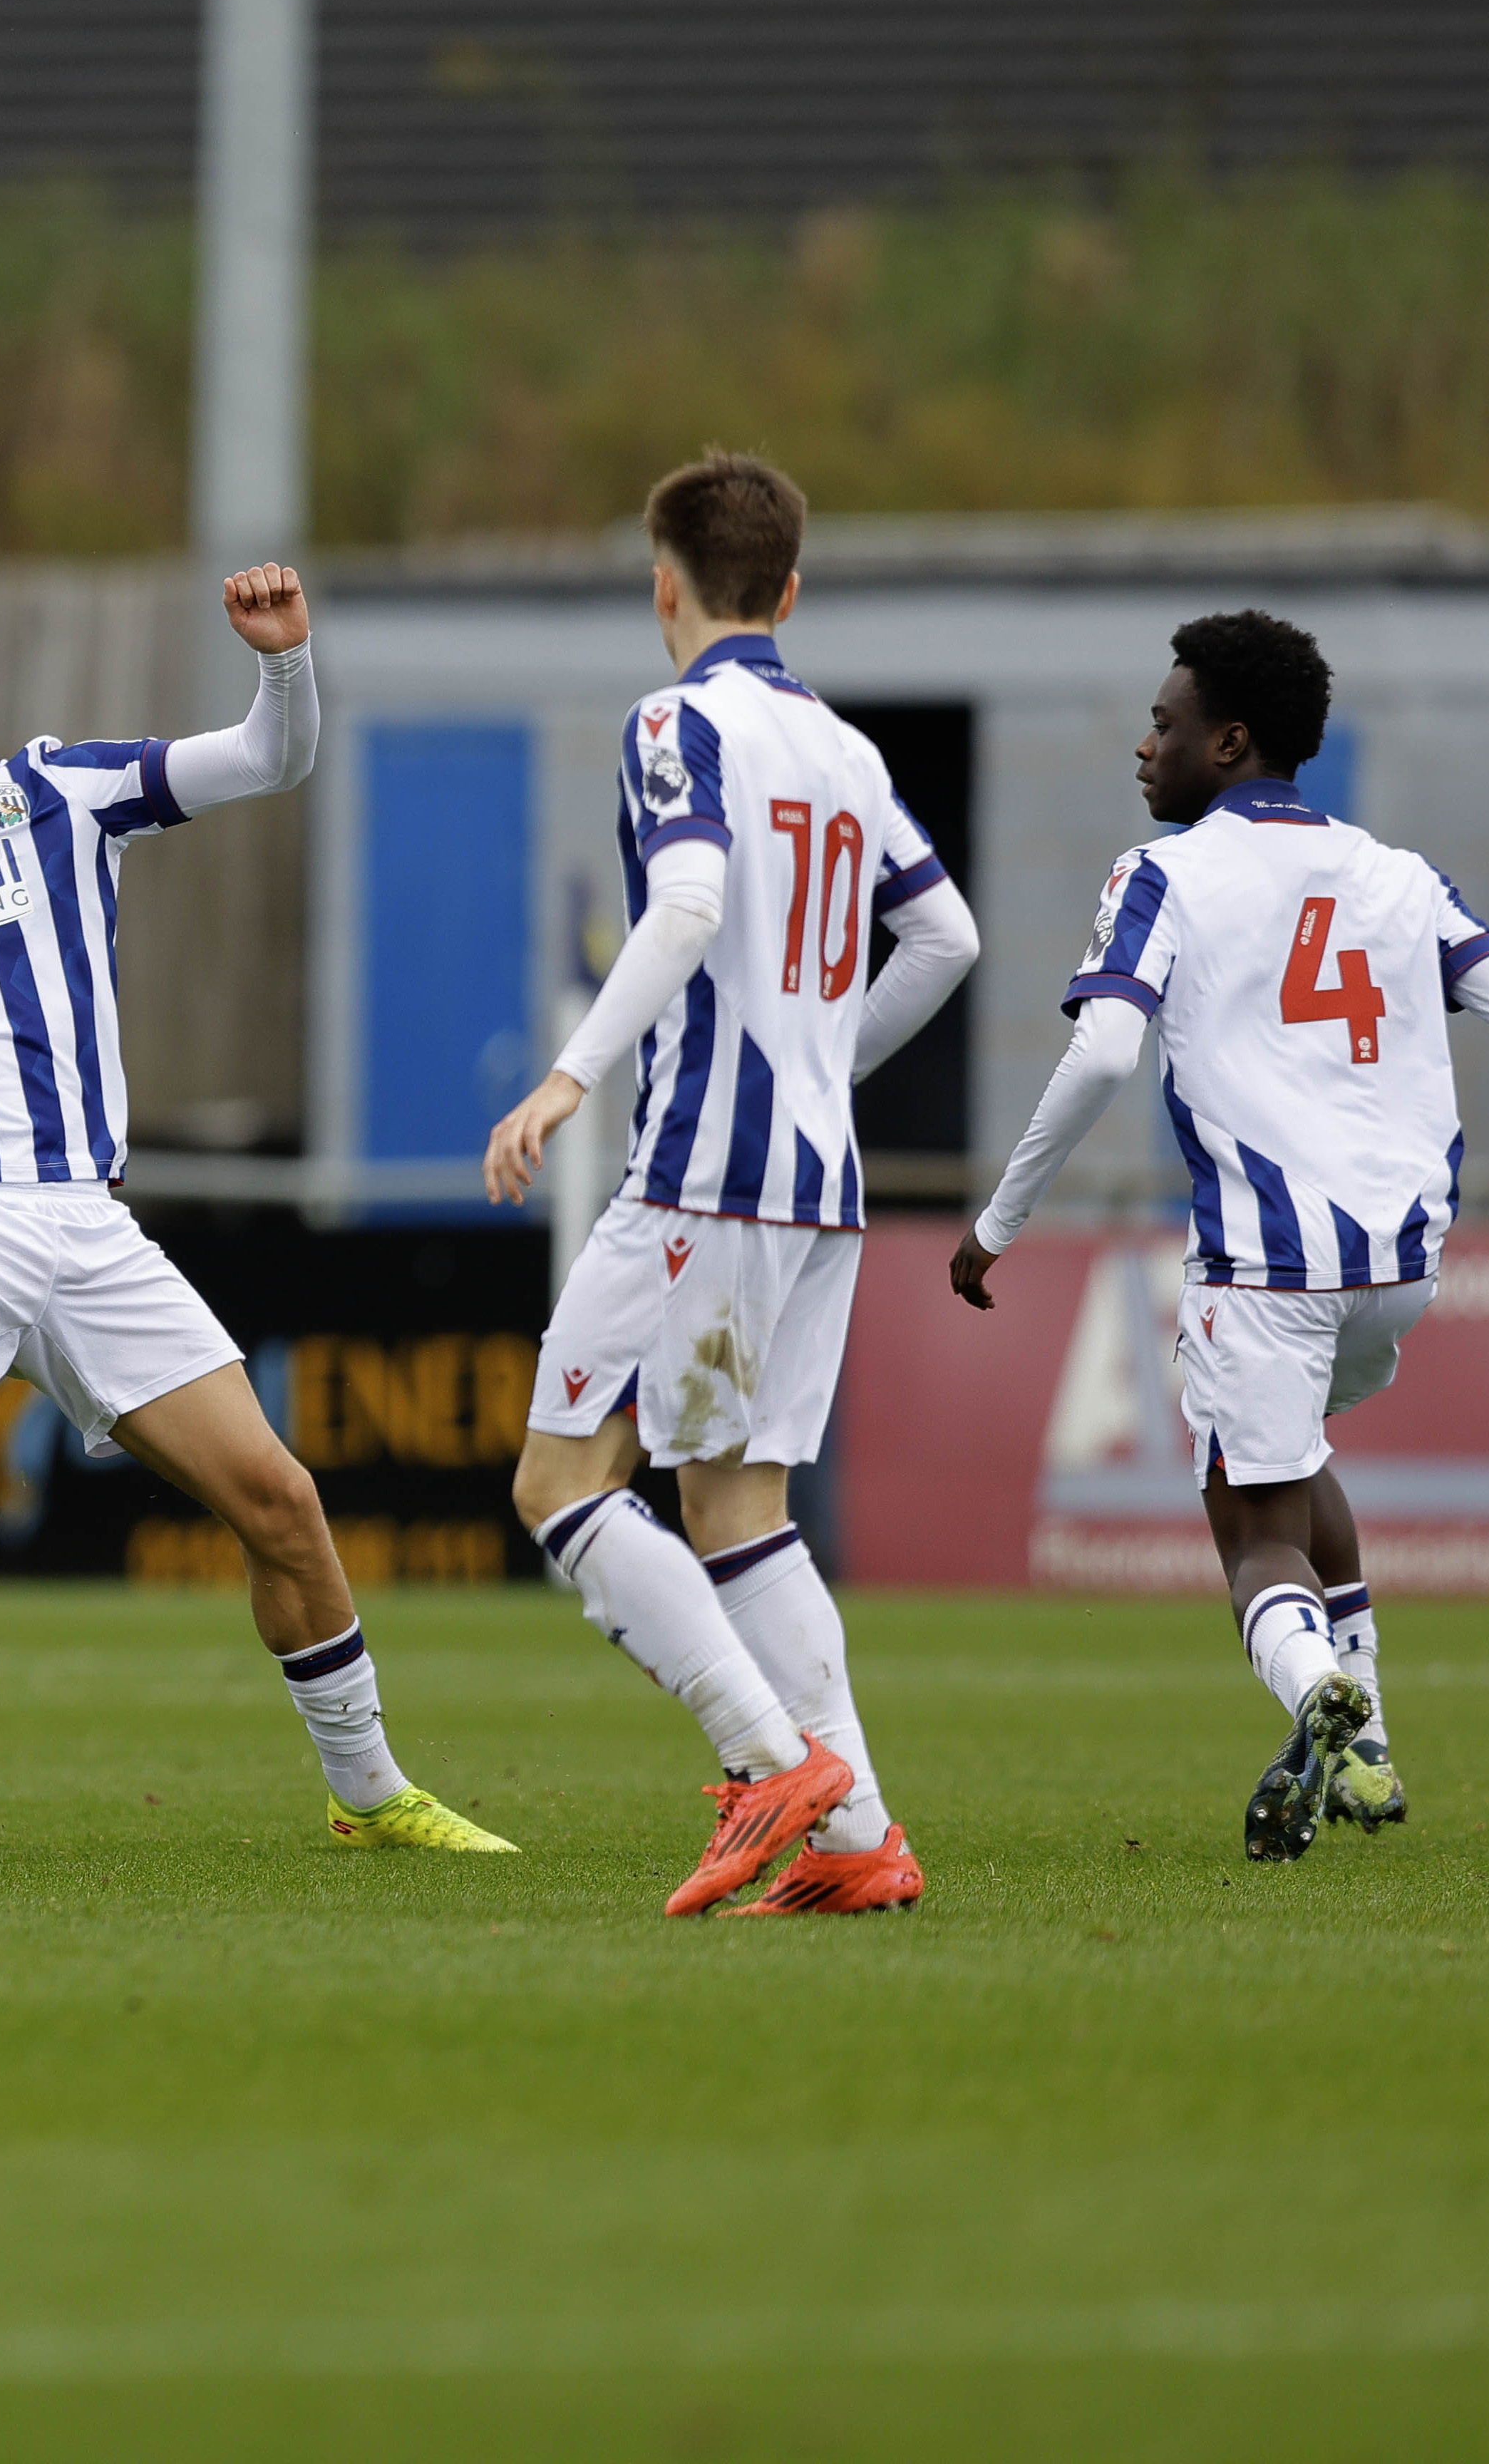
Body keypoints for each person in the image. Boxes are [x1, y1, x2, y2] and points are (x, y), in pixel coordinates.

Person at [0, 569, 511, 1862]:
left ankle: (367, 1789)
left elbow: (273, 759)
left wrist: (282, 660)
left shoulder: (65, 791)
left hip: (86, 1222)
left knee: (279, 1499)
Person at [950, 610, 1489, 1859]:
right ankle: (1374, 1751)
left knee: (1248, 1529)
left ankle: (1318, 1701)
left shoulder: (1162, 876)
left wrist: (998, 1220)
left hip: (1262, 1268)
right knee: (1294, 1470)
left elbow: (1102, 1051)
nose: (1144, 746)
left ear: (1229, 742)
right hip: (1402, 1274)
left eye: (1165, 723)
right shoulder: (1403, 875)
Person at [484, 453, 979, 1916]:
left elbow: (691, 900)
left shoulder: (673, 721)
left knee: (560, 1479)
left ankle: (766, 1758)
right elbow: (944, 935)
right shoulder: (844, 746)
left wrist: (570, 1072)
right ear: (793, 588)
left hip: (703, 1165)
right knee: (740, 1506)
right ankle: (859, 1838)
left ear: (665, 585)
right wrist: (827, 1059)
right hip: (820, 1180)